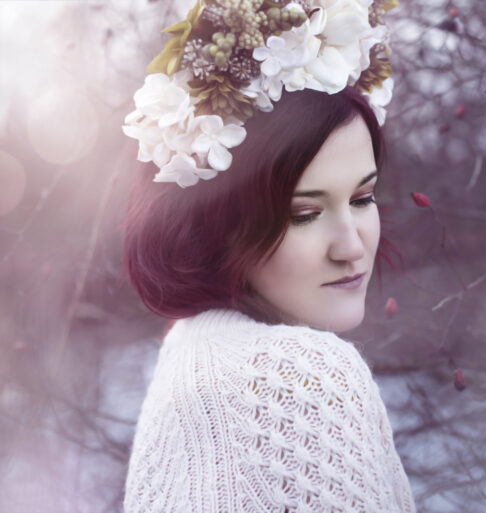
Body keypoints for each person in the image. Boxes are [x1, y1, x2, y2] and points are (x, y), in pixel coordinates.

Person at [119, 0, 414, 511]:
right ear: (219, 226)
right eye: (303, 214)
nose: (351, 247)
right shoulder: (304, 376)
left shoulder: (188, 356)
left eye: (362, 199)